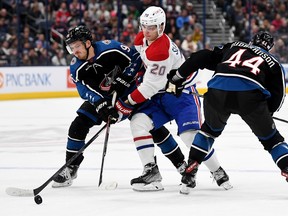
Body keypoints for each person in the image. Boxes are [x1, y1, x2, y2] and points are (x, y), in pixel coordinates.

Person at [113, 6, 232, 192]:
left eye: (151, 27)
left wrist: (127, 102)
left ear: (161, 27)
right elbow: (139, 59)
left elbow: (149, 87)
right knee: (138, 122)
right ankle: (150, 171)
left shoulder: (160, 50)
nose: (146, 31)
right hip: (160, 94)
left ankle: (217, 170)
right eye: (144, 26)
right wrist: (127, 76)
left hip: (180, 94)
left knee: (189, 137)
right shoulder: (142, 38)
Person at [167, 31, 288, 194]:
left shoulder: (234, 46)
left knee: (208, 132)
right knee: (272, 140)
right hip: (250, 98)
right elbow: (278, 96)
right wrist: (267, 112)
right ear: (270, 47)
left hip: (218, 92)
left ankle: (190, 169)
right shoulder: (273, 62)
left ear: (252, 41)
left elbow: (200, 57)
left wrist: (177, 77)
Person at [52, 25, 143, 188]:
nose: (74, 51)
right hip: (105, 97)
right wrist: (100, 103)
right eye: (71, 47)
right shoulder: (76, 66)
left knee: (149, 124)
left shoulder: (111, 48)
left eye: (77, 46)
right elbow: (83, 89)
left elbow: (137, 58)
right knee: (78, 125)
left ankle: (179, 165)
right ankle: (71, 168)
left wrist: (124, 80)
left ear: (88, 43)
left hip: (132, 93)